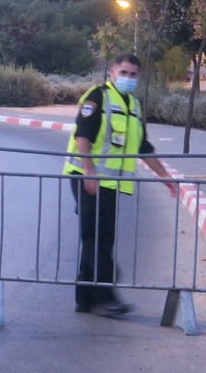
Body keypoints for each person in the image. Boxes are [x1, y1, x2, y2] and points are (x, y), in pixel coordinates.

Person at [62, 54, 178, 317]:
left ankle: (85, 298)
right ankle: (105, 297)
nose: (128, 78)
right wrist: (89, 172)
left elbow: (142, 147)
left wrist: (165, 177)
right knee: (97, 238)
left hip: (110, 183)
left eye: (133, 74)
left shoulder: (133, 105)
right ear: (112, 72)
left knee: (99, 237)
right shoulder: (98, 97)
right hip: (86, 176)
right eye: (123, 72)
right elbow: (83, 135)